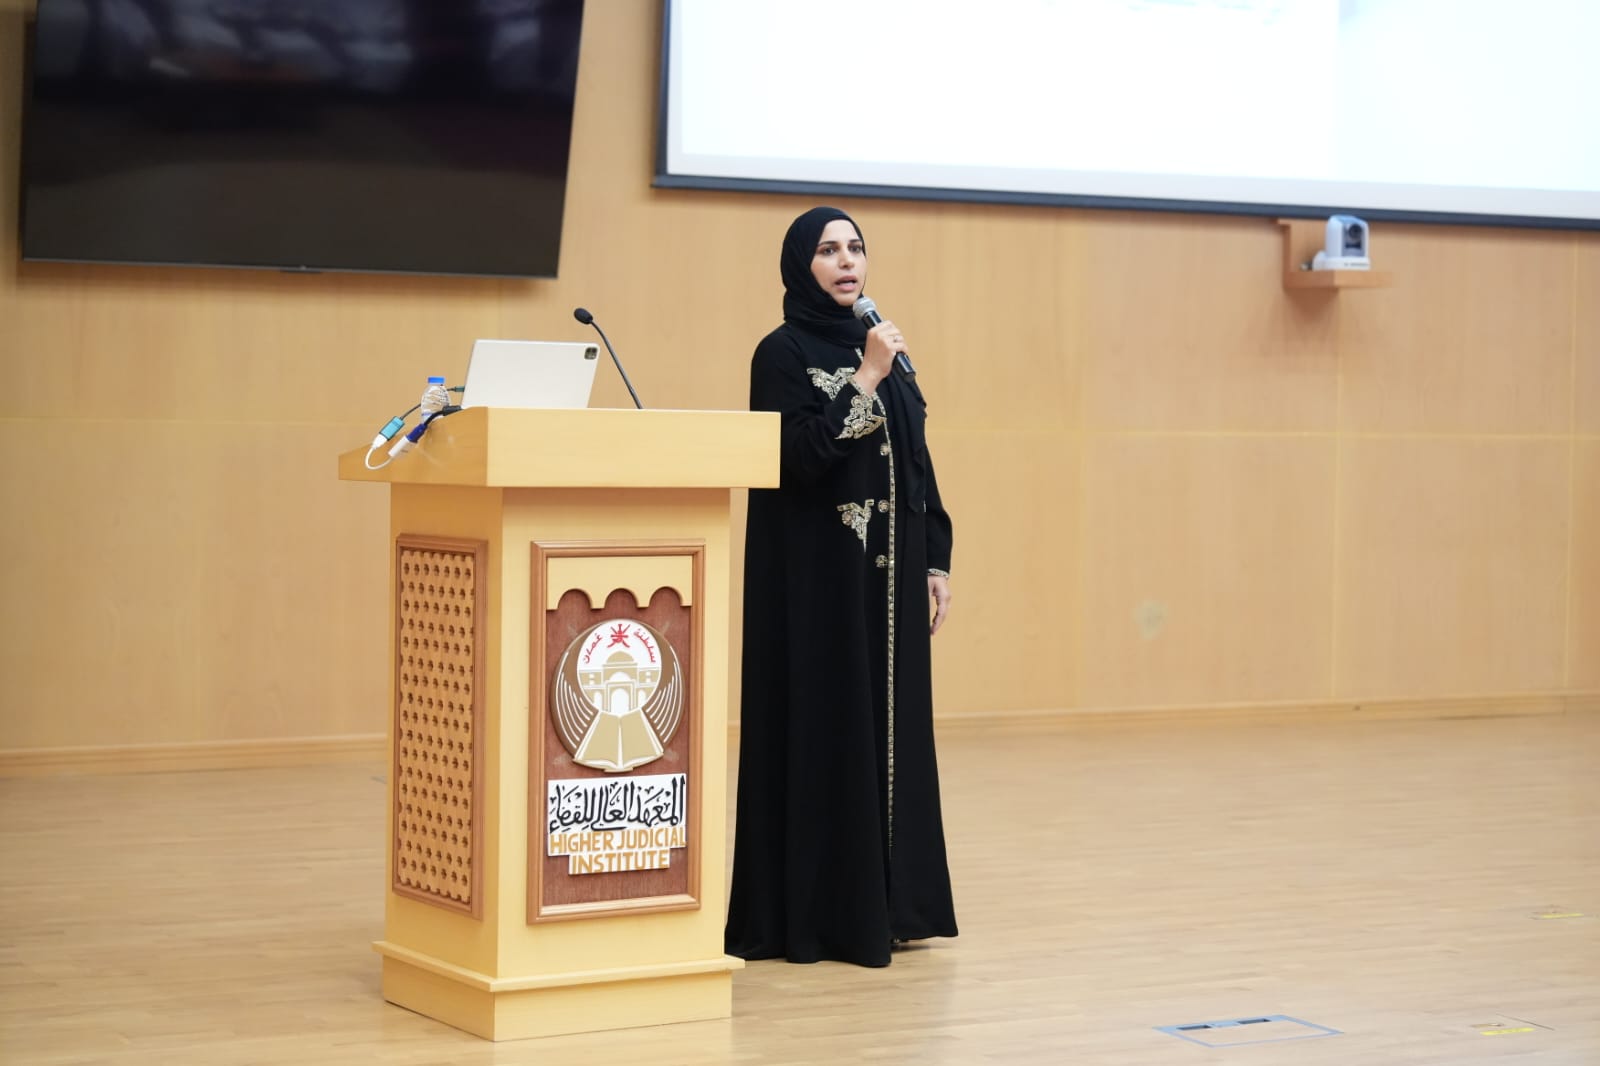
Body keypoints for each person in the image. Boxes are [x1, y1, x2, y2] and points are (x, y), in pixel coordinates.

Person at [724, 206, 957, 968]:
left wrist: (936, 558)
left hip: (890, 580)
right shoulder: (782, 353)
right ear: (802, 265)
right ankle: (824, 917)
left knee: (891, 735)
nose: (847, 261)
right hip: (817, 586)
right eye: (828, 250)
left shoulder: (881, 345)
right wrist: (865, 378)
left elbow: (916, 456)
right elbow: (796, 456)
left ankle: (892, 906)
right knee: (829, 730)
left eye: (855, 247)